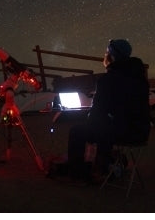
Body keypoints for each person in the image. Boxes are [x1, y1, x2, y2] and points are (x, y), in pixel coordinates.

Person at [61, 38, 150, 183]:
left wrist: (90, 118)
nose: (104, 56)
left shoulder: (109, 80)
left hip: (123, 132)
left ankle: (78, 175)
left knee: (78, 131)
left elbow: (98, 113)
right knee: (106, 125)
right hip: (140, 132)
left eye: (106, 52)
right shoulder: (140, 78)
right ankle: (104, 165)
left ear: (112, 56)